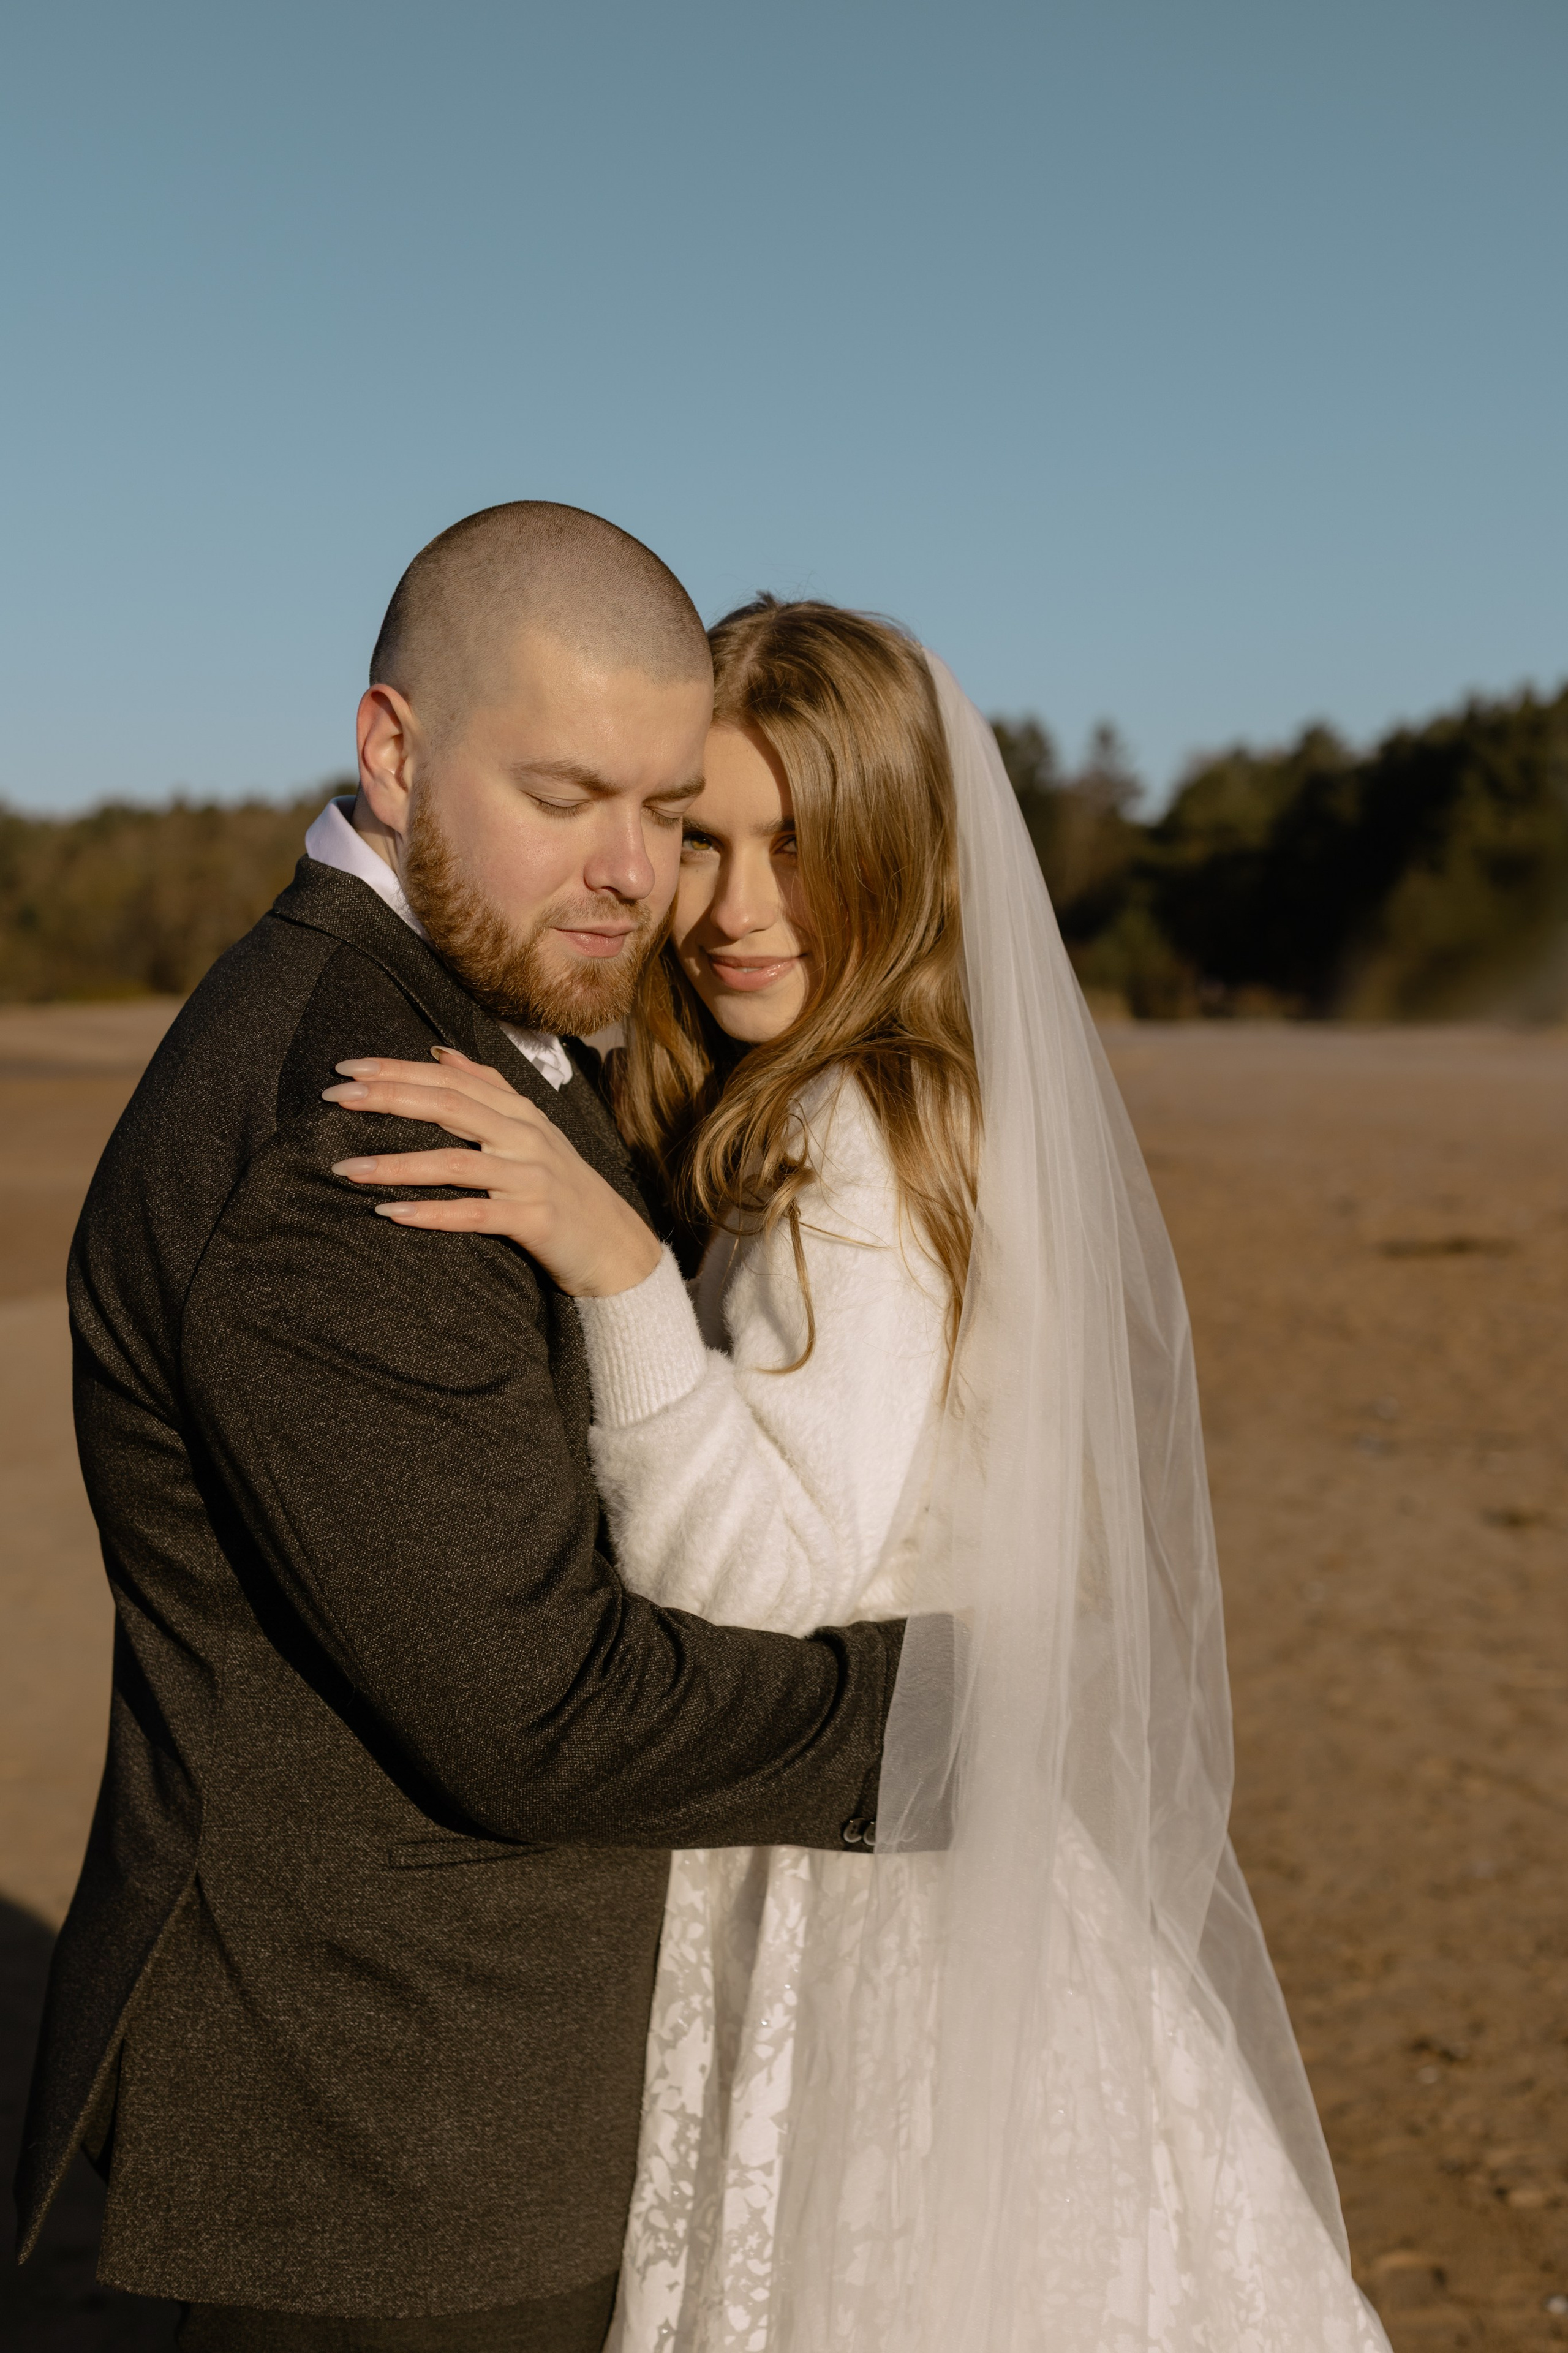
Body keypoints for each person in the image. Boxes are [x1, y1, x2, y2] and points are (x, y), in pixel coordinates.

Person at [337, 598, 1395, 2351]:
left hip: (857, 1896)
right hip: (949, 1864)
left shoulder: (849, 1137)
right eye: (704, 838)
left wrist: (614, 1272)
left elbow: (758, 1581)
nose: (742, 907)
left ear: (905, 855)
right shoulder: (900, 1098)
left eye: (803, 846)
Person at [13, 513, 911, 2352]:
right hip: (391, 2153)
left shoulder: (470, 1023)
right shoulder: (356, 1128)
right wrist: (939, 1715)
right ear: (394, 747)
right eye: (569, 793)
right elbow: (540, 1712)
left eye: (667, 807)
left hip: (446, 2117)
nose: (635, 874)